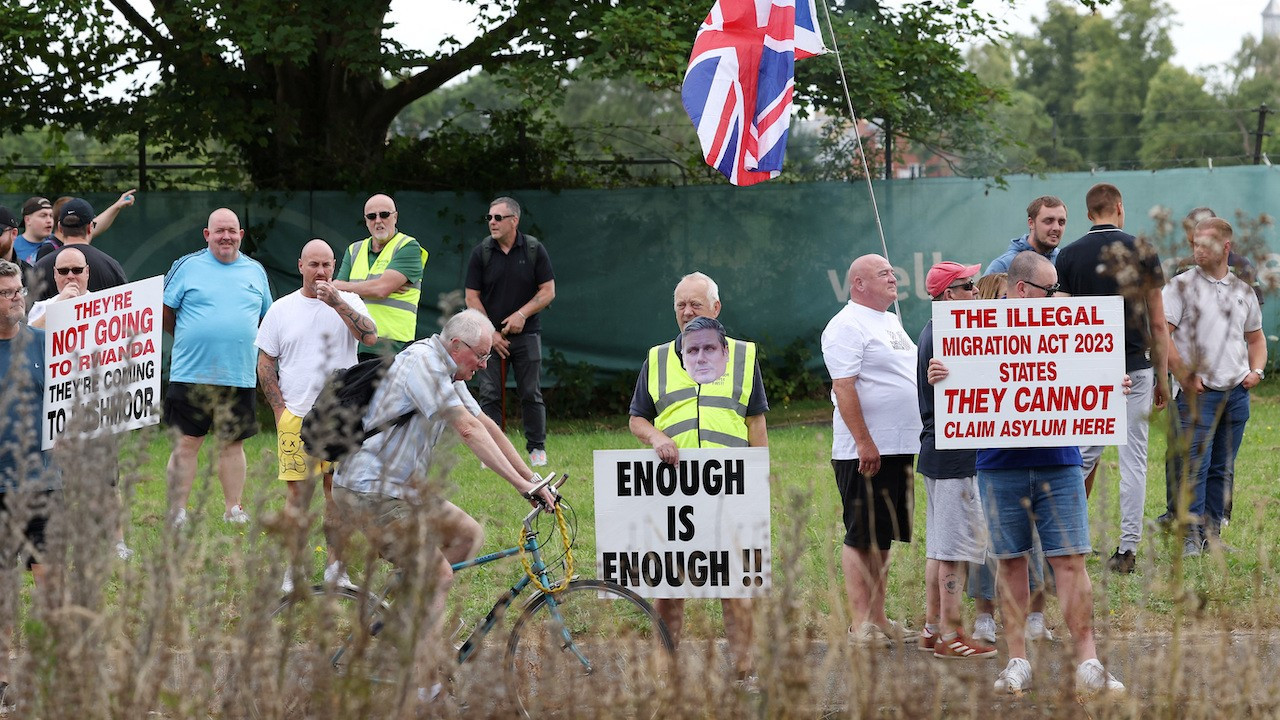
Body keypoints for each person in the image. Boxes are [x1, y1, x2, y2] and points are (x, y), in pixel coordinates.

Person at [929, 251, 1124, 695]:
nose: (1057, 296)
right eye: (1049, 288)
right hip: (999, 466)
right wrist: (937, 372)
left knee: (1070, 561)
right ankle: (1017, 660)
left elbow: (1092, 374)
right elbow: (951, 380)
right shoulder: (975, 331)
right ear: (1022, 289)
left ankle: (1088, 662)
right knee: (1011, 562)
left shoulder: (1068, 330)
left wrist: (1113, 382)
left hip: (1060, 462)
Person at [331, 308, 554, 689]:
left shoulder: (448, 368)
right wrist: (521, 487)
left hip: (403, 489)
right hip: (369, 491)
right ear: (456, 345)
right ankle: (420, 689)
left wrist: (531, 480)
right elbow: (466, 430)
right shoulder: (424, 365)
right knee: (437, 575)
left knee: (467, 536)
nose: (484, 365)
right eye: (480, 356)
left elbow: (485, 424)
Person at [628, 272, 767, 684]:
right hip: (674, 491)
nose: (688, 312)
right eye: (681, 306)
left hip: (731, 485)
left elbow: (756, 423)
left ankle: (745, 668)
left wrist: (759, 482)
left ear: (716, 308)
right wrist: (655, 436)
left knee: (736, 580)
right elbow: (637, 419)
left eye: (696, 304)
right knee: (669, 582)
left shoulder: (742, 357)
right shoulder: (656, 358)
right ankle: (664, 670)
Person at [1054, 182, 1168, 575]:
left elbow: (1061, 323)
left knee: (1081, 455)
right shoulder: (1144, 251)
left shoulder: (1067, 256)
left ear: (1089, 214)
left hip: (1090, 368)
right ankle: (1128, 548)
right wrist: (1163, 377)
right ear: (1119, 207)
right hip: (1136, 364)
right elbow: (1158, 322)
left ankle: (1063, 543)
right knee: (1134, 458)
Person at [258, 239, 378, 591]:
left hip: (342, 414)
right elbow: (265, 363)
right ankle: (292, 571)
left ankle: (336, 568)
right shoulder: (280, 310)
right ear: (300, 266)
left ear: (334, 266)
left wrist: (338, 301)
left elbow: (370, 337)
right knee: (298, 499)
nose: (320, 272)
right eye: (313, 265)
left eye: (326, 265)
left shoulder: (349, 301)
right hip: (296, 415)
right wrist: (279, 410)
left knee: (337, 495)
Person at [821, 254, 921, 646]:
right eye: (884, 274)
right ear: (858, 284)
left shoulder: (891, 320)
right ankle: (860, 623)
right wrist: (864, 441)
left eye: (892, 272)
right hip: (864, 451)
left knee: (883, 537)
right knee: (861, 536)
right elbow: (843, 386)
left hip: (899, 446)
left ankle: (879, 618)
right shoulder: (845, 325)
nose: (893, 278)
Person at [162, 208, 272, 526]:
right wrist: (190, 338)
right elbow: (165, 311)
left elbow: (266, 318)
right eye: (219, 230)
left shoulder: (255, 271)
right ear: (207, 235)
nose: (226, 236)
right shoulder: (186, 266)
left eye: (232, 230)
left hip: (238, 373)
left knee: (232, 442)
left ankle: (233, 509)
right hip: (190, 372)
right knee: (186, 442)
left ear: (241, 235)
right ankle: (177, 510)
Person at [1163, 218, 1265, 556]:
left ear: (1226, 247)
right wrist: (1183, 375)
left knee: (1224, 466)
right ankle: (1189, 536)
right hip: (1197, 395)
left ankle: (1213, 536)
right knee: (1194, 465)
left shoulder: (1243, 290)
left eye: (1205, 244)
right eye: (1194, 243)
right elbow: (1162, 334)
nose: (1197, 250)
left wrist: (1257, 370)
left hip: (1236, 393)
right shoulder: (1179, 286)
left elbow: (1256, 338)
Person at [914, 261, 995, 660]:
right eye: (969, 285)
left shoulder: (938, 329)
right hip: (953, 456)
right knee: (954, 552)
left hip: (938, 453)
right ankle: (950, 633)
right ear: (949, 294)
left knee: (940, 547)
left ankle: (932, 629)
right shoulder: (947, 334)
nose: (977, 291)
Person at [0, 260, 63, 700]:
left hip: (43, 485)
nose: (16, 297)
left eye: (18, 289)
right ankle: (3, 680)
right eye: (6, 292)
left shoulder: (45, 345)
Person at [464, 197, 556, 468]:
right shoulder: (481, 252)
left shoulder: (533, 249)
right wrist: (490, 333)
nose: (492, 222)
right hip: (488, 338)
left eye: (498, 218)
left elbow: (548, 291)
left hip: (528, 336)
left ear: (514, 221)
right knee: (489, 393)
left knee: (530, 392)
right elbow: (471, 297)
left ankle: (537, 449)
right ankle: (491, 451)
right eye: (489, 218)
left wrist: (521, 315)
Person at [333, 193, 426, 359]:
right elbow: (336, 291)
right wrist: (373, 286)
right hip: (354, 344)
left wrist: (348, 287)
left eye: (384, 215)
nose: (378, 221)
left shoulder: (408, 246)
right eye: (371, 216)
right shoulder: (353, 249)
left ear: (395, 217)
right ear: (366, 220)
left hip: (393, 346)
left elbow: (380, 290)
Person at [33, 199, 128, 300]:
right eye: (63, 271)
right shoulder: (111, 266)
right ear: (90, 227)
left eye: (77, 270)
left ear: (60, 228)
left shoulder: (40, 267)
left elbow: (31, 311)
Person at [1171, 207, 1263, 308]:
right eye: (1192, 244)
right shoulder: (1185, 267)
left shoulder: (1241, 266)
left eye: (1203, 243)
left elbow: (1254, 310)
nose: (1197, 250)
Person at [984, 196, 1067, 275]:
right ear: (1031, 223)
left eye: (1061, 222)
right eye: (1048, 221)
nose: (1056, 228)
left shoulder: (1065, 262)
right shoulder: (1003, 266)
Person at [14, 197, 54, 265]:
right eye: (43, 216)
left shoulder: (57, 243)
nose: (49, 220)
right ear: (27, 220)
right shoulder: (13, 246)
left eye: (51, 216)